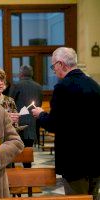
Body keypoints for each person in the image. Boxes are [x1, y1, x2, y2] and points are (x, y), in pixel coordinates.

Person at [31, 47, 100, 200]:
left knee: (77, 198)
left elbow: (55, 124)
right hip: (95, 157)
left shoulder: (63, 87)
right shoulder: (94, 85)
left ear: (61, 64)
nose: (54, 69)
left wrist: (40, 114)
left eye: (53, 65)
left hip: (74, 159)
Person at [10, 65, 43, 167]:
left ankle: (15, 174)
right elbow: (39, 104)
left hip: (18, 122)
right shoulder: (38, 87)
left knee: (14, 149)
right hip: (32, 122)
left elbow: (10, 102)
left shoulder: (16, 85)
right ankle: (28, 171)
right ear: (31, 73)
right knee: (28, 149)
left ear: (21, 73)